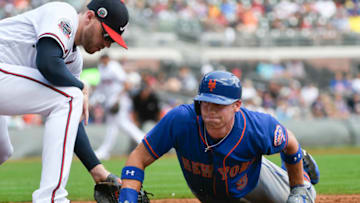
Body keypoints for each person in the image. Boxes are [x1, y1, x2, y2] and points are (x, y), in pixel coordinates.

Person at [118, 71, 320, 203]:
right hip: (214, 195)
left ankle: (304, 174)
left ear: (237, 105)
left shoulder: (258, 127)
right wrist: (127, 198)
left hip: (252, 177)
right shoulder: (180, 120)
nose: (210, 111)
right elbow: (138, 157)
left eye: (219, 105)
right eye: (205, 103)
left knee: (304, 199)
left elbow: (290, 143)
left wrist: (298, 188)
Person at [0, 0, 129, 202]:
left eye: (111, 41)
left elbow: (71, 120)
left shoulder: (73, 62)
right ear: (89, 17)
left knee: (2, 149)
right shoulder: (64, 13)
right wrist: (80, 87)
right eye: (106, 35)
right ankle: (51, 198)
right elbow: (48, 63)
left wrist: (98, 171)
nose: (106, 44)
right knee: (71, 96)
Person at [92, 54, 145, 160]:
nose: (103, 61)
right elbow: (101, 87)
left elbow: (126, 84)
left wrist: (117, 99)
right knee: (123, 124)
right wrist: (93, 100)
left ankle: (104, 151)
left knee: (113, 126)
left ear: (108, 59)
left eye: (104, 59)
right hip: (110, 101)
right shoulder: (101, 68)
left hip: (119, 100)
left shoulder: (114, 67)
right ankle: (145, 141)